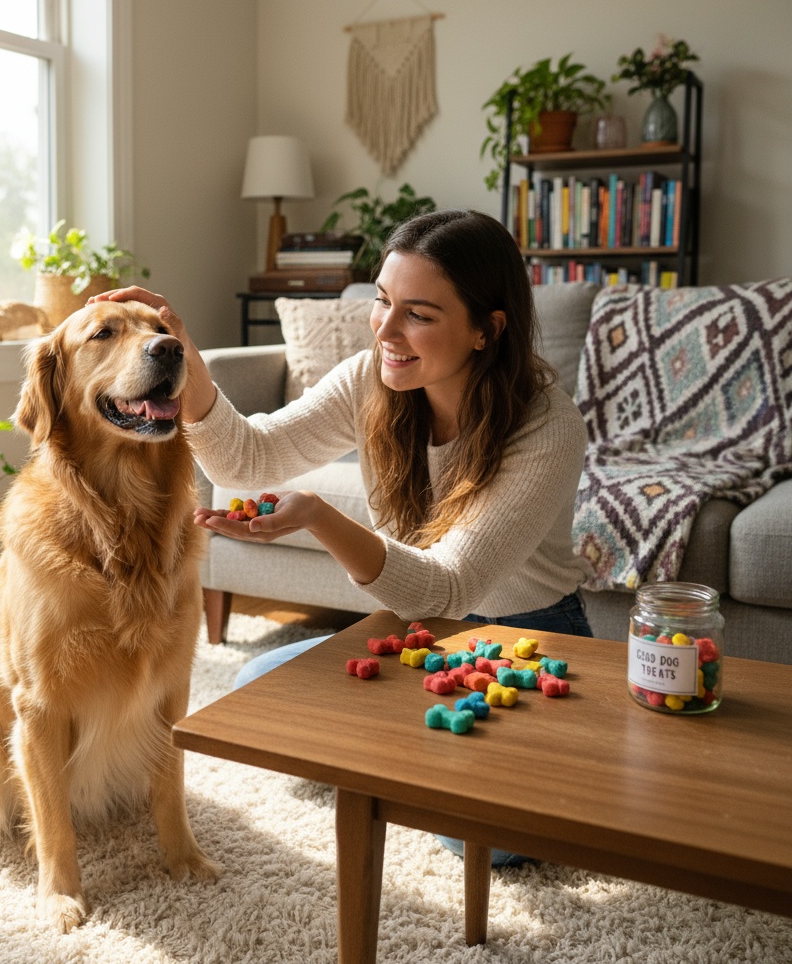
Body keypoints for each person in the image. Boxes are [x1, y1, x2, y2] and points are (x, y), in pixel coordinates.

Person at [96, 208, 593, 867]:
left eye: (419, 313)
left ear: (486, 330)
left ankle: (434, 756)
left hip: (527, 637)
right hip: (425, 638)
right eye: (383, 302)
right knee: (255, 687)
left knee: (475, 842)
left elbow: (450, 583)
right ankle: (423, 748)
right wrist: (188, 365)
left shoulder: (547, 425)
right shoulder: (372, 381)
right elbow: (248, 458)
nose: (385, 330)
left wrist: (317, 515)